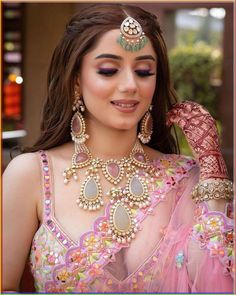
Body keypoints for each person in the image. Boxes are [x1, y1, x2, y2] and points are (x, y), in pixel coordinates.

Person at [3, 3, 234, 293]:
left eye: (144, 71)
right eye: (109, 70)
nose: (130, 85)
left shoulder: (184, 178)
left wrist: (213, 176)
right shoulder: (31, 174)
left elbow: (213, 283)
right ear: (76, 79)